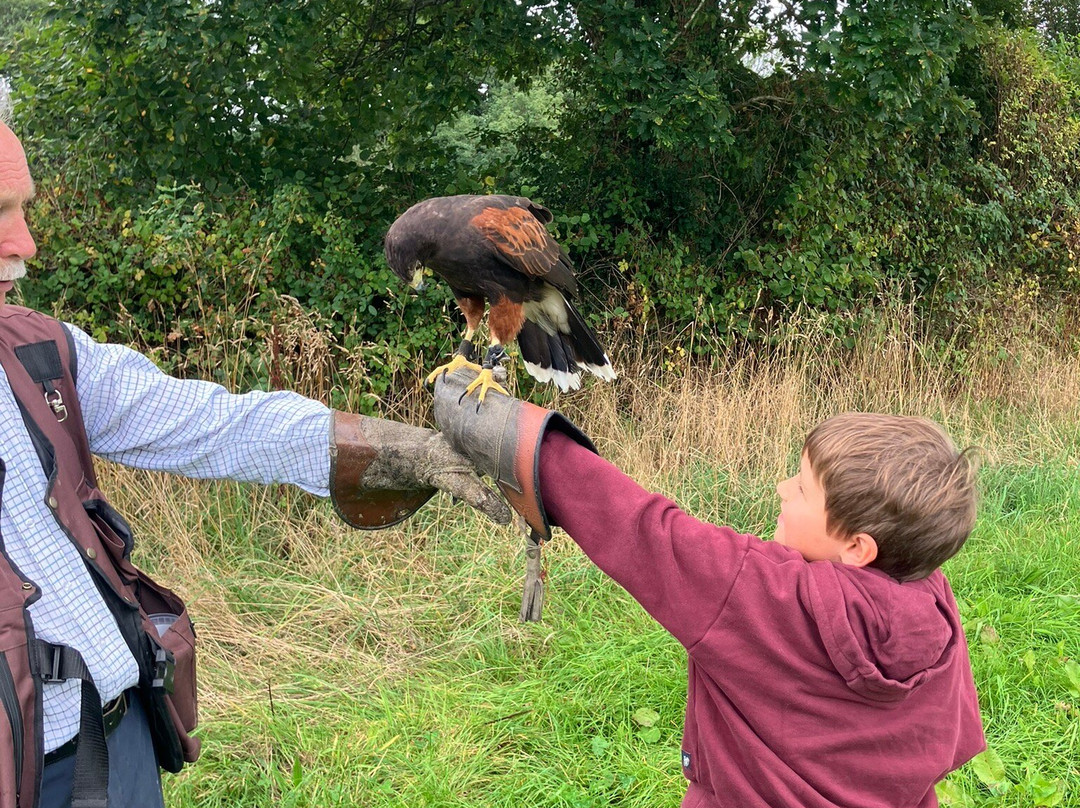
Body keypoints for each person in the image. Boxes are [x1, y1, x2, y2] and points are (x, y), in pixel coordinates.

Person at [0, 91, 508, 808]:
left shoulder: (36, 351)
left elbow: (210, 421)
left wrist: (392, 449)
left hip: (119, 740)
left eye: (23, 210)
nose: (25, 245)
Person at [434, 368, 987, 808]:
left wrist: (517, 436)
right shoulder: (933, 609)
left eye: (802, 488)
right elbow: (937, 746)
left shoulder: (771, 595)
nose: (782, 488)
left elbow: (646, 532)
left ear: (858, 547)